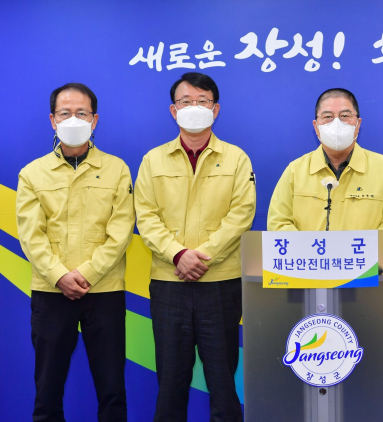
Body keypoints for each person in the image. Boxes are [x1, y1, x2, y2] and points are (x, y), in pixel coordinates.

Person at [134, 72, 255, 422]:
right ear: (174, 110)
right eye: (186, 101)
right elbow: (146, 216)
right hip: (169, 284)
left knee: (223, 382)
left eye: (202, 101)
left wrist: (202, 257)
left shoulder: (236, 159)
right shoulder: (153, 160)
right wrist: (178, 255)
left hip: (220, 283)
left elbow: (241, 215)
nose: (194, 107)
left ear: (215, 109)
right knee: (171, 384)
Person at [16, 82, 134, 421]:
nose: (73, 119)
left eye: (81, 113)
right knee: (47, 392)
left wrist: (87, 274)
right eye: (64, 113)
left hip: (104, 291)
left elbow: (121, 230)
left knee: (112, 391)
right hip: (51, 291)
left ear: (94, 119)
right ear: (52, 120)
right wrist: (60, 276)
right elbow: (31, 236)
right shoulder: (32, 173)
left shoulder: (116, 169)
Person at [267, 88, 383, 245]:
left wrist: (358, 255)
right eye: (328, 117)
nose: (336, 124)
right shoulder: (295, 170)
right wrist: (313, 253)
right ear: (316, 126)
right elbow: (278, 223)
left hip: (365, 260)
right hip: (308, 260)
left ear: (358, 124)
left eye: (345, 116)